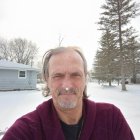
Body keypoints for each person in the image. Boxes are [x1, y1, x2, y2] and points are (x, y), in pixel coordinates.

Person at [3, 46, 135, 140]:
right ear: (47, 80)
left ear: (85, 79)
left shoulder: (111, 119)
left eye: (75, 75)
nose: (67, 86)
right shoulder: (26, 131)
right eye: (57, 76)